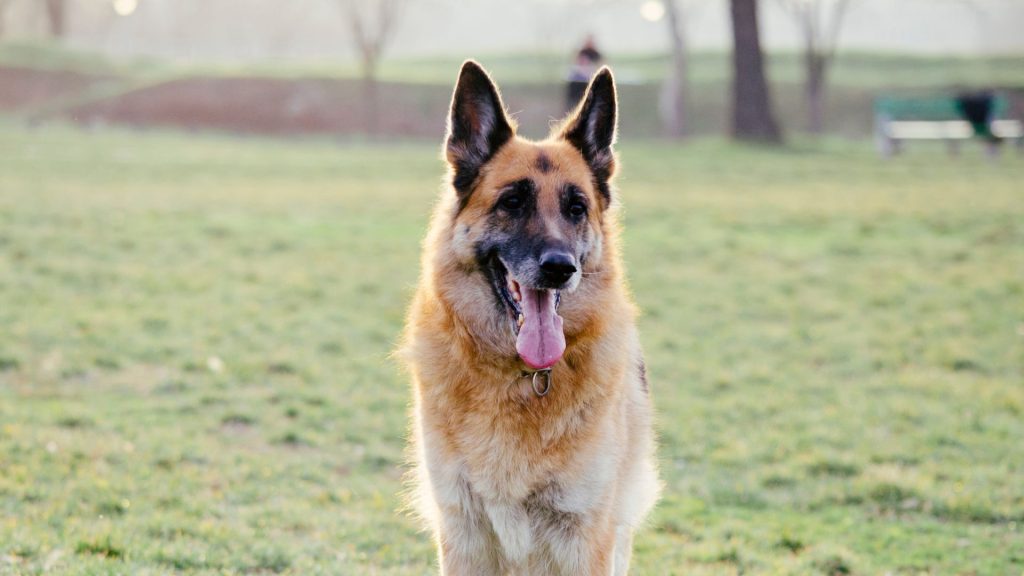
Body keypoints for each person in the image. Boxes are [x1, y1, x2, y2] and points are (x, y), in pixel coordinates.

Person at [566, 35, 603, 111]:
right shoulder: (582, 52)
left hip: (590, 78)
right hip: (579, 80)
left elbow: (601, 64)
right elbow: (576, 62)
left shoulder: (596, 54)